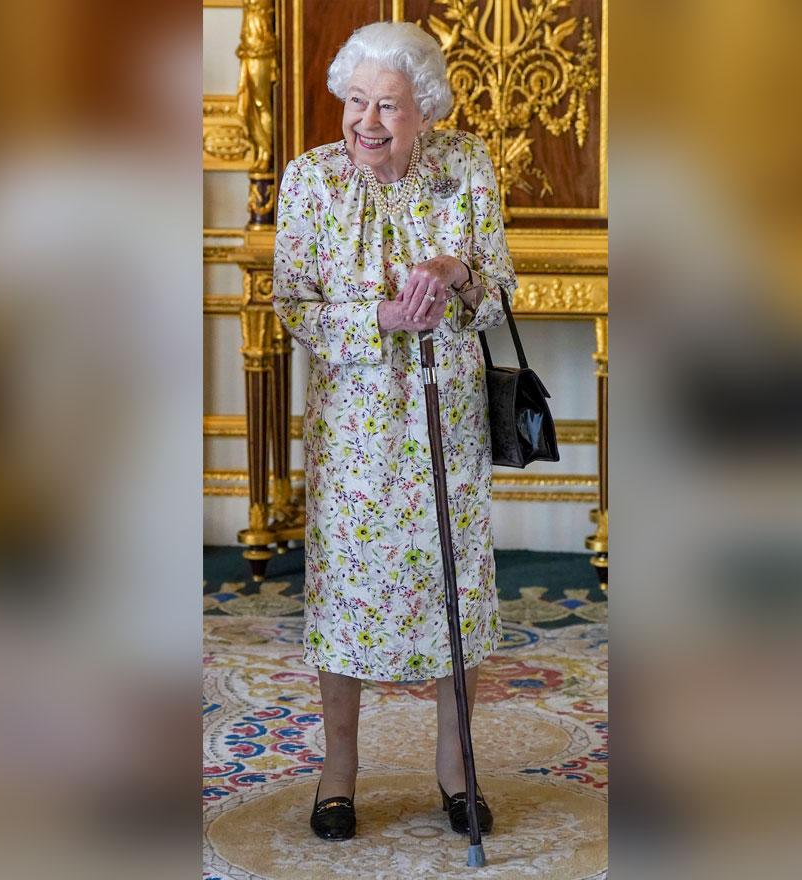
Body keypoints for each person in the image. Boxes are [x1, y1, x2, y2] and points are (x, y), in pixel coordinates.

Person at [271, 20, 515, 841]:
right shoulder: (310, 181)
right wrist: (375, 316)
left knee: (454, 587)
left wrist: (461, 273)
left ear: (427, 111)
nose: (367, 122)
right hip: (353, 429)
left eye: (388, 106)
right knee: (345, 588)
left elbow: (499, 288)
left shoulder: (465, 167)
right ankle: (337, 773)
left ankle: (456, 767)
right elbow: (292, 305)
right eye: (355, 101)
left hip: (447, 412)